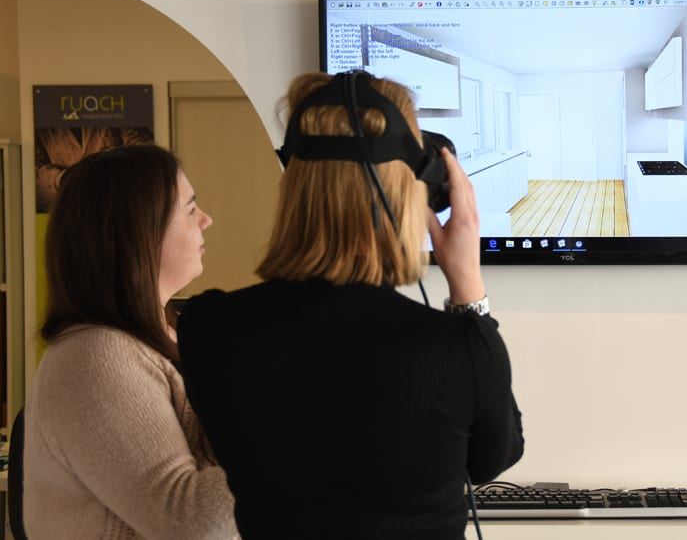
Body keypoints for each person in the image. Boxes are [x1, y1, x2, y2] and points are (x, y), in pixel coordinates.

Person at [177, 71, 524, 539]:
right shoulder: (454, 347)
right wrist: (468, 286)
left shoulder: (207, 327)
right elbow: (491, 460)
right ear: (414, 192)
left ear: (294, 185)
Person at [23, 144, 239, 540]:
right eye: (190, 209)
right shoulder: (97, 358)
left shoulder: (157, 337)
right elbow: (189, 524)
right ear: (140, 232)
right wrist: (299, 440)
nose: (206, 220)